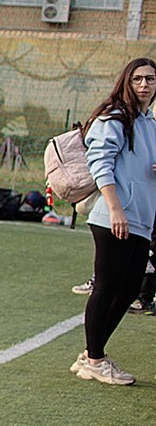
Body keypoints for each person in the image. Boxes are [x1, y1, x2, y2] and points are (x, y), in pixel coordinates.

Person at [73, 58, 156, 386]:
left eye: (150, 79)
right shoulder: (116, 117)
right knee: (108, 287)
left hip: (140, 219)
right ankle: (95, 359)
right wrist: (116, 208)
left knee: (130, 287)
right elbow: (100, 162)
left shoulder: (148, 122)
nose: (144, 85)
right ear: (126, 81)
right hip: (114, 217)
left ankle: (92, 353)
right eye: (137, 79)